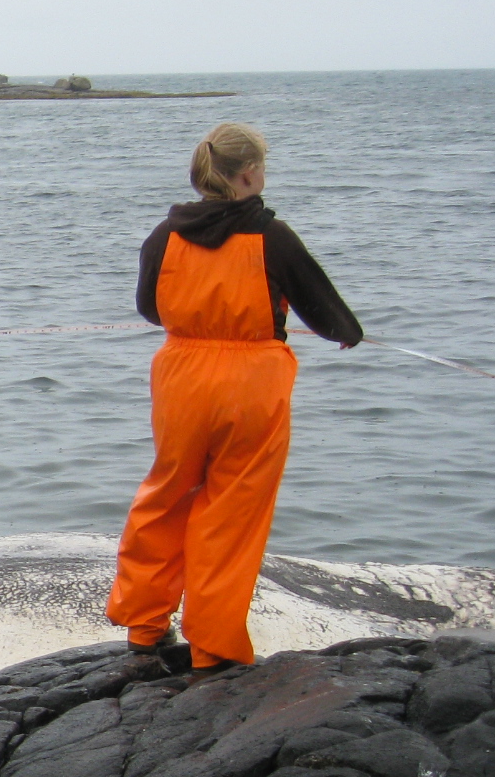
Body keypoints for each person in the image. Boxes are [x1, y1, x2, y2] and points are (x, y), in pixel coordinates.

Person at [107, 124, 362, 673]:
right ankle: (214, 648)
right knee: (231, 508)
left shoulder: (164, 234)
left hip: (180, 377)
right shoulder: (272, 236)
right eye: (263, 168)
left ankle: (145, 627)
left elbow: (151, 308)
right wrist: (348, 330)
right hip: (251, 379)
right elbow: (324, 309)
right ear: (248, 174)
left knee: (167, 492)